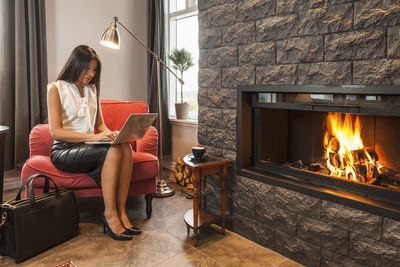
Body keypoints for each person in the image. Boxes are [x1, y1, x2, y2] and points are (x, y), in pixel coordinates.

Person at [47, 45, 141, 241]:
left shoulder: (92, 90)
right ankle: (109, 214)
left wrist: (112, 134)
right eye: (87, 69)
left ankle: (122, 213)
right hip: (64, 151)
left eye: (94, 70)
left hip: (88, 147)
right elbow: (56, 131)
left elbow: (100, 125)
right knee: (113, 152)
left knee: (124, 146)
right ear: (76, 64)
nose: (91, 74)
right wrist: (94, 138)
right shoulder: (56, 89)